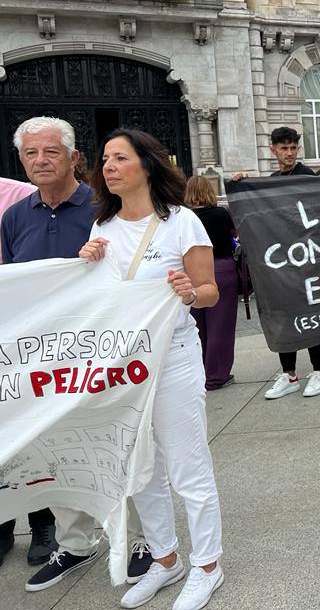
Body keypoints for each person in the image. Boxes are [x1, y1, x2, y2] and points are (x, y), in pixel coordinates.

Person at [3, 118, 156, 590]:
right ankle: (75, 543)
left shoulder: (103, 208)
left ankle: (141, 539)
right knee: (55, 448)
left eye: (51, 152)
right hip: (44, 361)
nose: (40, 161)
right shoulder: (15, 217)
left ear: (73, 158)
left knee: (120, 442)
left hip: (102, 351)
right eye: (31, 153)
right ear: (21, 160)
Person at [78, 128, 224, 610]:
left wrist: (188, 291)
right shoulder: (101, 229)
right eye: (104, 160)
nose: (109, 167)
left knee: (187, 467)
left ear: (147, 164)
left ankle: (207, 565)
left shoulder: (182, 223)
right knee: (140, 470)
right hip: (125, 367)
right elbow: (98, 303)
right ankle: (166, 560)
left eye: (120, 157)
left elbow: (210, 292)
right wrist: (84, 265)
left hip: (174, 357)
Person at [241, 127, 320, 399]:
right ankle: (289, 374)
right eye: (284, 148)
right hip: (282, 266)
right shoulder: (270, 182)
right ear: (273, 150)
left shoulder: (306, 176)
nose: (289, 153)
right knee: (284, 317)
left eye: (293, 148)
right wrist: (242, 184)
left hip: (308, 260)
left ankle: (319, 372)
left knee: (312, 316)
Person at [184, 176, 239, 391]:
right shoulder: (221, 214)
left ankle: (199, 371)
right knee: (221, 326)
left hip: (191, 272)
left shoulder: (184, 217)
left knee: (198, 327)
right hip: (221, 269)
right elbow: (235, 235)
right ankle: (216, 375)